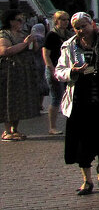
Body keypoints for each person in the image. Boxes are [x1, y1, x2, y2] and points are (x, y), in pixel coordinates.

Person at [55, 12, 99, 195]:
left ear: (91, 24)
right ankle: (87, 180)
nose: (80, 30)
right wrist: (71, 71)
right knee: (81, 140)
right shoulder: (69, 45)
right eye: (76, 28)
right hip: (79, 96)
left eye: (84, 26)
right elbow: (59, 71)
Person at [0, 8, 40, 140]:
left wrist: (33, 42)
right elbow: (5, 51)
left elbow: (34, 50)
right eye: (19, 20)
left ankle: (15, 129)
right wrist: (25, 44)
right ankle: (7, 131)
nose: (21, 22)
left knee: (19, 100)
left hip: (22, 72)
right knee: (8, 99)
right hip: (9, 72)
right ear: (11, 21)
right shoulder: (4, 34)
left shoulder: (23, 33)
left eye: (23, 20)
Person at [42, 10, 73, 135]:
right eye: (63, 19)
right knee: (56, 97)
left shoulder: (68, 34)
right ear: (56, 21)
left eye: (67, 19)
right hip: (55, 69)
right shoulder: (51, 35)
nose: (66, 22)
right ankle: (52, 127)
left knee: (69, 96)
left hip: (67, 69)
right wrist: (52, 70)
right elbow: (46, 54)